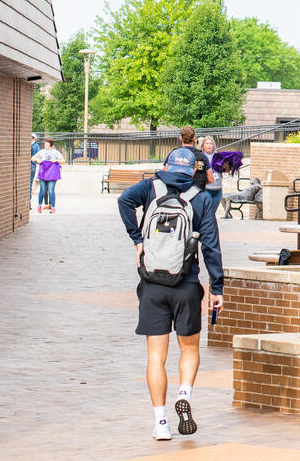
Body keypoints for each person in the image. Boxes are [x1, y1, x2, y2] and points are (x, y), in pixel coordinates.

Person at [117, 143, 223, 442]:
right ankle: (185, 393)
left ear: (166, 167)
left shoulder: (149, 187)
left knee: (155, 357)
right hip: (186, 284)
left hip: (152, 283)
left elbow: (124, 201)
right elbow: (211, 247)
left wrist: (137, 239)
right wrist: (217, 288)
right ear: (192, 171)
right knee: (189, 348)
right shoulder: (200, 199)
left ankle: (160, 422)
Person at [31, 138, 64, 213]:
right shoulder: (42, 152)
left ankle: (53, 207)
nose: (45, 145)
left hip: (52, 174)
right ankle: (39, 206)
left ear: (51, 145)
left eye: (47, 144)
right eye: (44, 144)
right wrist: (37, 160)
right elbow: (32, 158)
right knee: (42, 190)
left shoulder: (56, 152)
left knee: (51, 190)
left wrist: (56, 161)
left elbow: (63, 161)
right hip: (43, 173)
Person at [198, 136, 223, 214]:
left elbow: (223, 170)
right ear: (203, 146)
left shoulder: (218, 157)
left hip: (218, 189)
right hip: (206, 188)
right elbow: (199, 170)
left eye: (211, 143)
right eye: (207, 143)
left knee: (212, 213)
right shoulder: (200, 157)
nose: (209, 145)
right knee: (207, 212)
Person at [29, 133, 40, 204]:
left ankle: (28, 202)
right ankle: (29, 201)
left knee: (29, 184)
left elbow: (38, 157)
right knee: (29, 184)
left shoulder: (34, 146)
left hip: (31, 165)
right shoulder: (36, 146)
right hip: (32, 166)